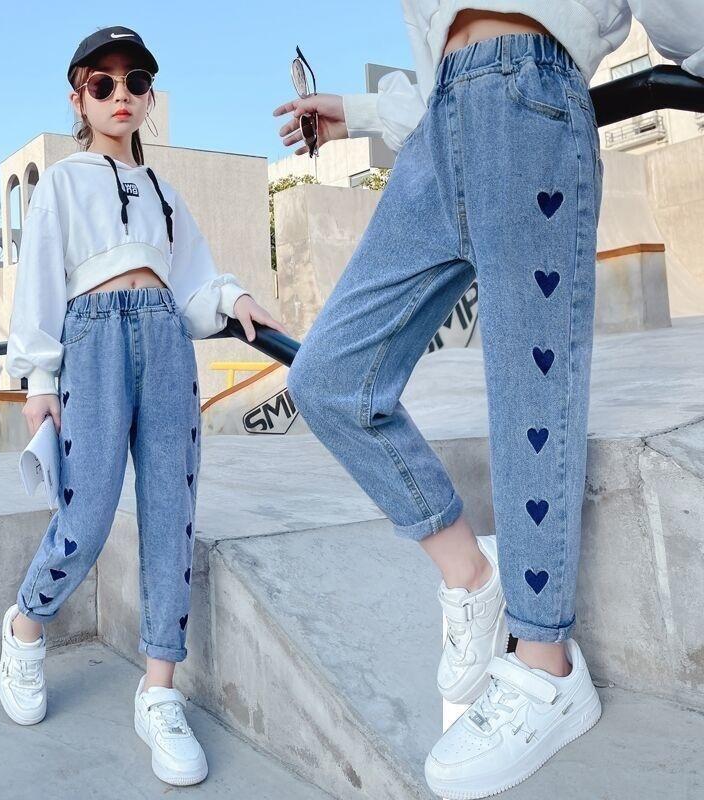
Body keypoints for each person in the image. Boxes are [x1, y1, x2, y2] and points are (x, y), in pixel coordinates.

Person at [274, 2, 703, 797]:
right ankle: (473, 577)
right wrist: (360, 112)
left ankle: (548, 668)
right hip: (439, 123)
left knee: (528, 390)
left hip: (533, 98)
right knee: (328, 376)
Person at [0, 25, 288, 787]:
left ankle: (159, 690)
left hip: (163, 342)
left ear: (150, 96)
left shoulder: (164, 192)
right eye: (103, 83)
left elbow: (192, 283)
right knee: (87, 514)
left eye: (136, 82)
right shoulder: (64, 183)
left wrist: (234, 298)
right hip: (90, 344)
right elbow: (39, 283)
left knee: (170, 513)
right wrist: (39, 382)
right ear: (79, 99)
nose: (120, 95)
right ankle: (25, 625)